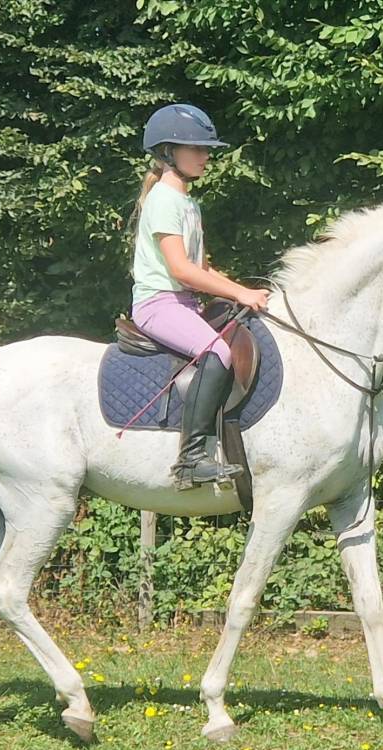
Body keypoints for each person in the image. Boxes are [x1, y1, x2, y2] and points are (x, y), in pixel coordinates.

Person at [130, 103, 269, 490]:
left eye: (207, 149)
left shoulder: (188, 203)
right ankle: (190, 459)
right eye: (197, 149)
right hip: (158, 304)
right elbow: (181, 270)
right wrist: (239, 291)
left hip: (185, 303)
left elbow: (203, 269)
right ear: (168, 152)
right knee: (218, 352)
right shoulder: (162, 200)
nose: (206, 156)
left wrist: (244, 294)